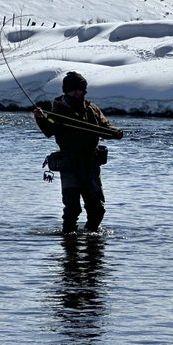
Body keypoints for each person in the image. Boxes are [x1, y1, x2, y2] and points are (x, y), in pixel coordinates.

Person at [34, 71, 124, 235]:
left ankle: (91, 236)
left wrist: (114, 133)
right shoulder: (58, 111)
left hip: (91, 164)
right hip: (70, 164)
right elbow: (49, 129)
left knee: (97, 209)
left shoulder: (92, 109)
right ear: (66, 91)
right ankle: (69, 240)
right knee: (73, 208)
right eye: (72, 90)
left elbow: (104, 128)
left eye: (79, 89)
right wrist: (41, 119)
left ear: (84, 90)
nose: (76, 92)